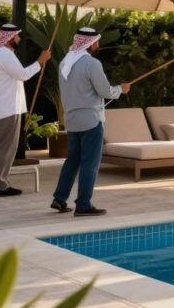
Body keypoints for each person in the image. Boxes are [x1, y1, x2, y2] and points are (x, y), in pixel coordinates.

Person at [51, 27, 130, 216]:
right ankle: (83, 204)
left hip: (71, 120)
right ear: (91, 43)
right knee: (90, 163)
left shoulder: (64, 62)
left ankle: (59, 198)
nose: (98, 44)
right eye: (97, 41)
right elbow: (105, 91)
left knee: (73, 160)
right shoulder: (92, 64)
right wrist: (121, 89)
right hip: (90, 120)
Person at [0, 24, 51, 197]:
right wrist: (40, 61)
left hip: (3, 107)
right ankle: (0, 186)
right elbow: (23, 75)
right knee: (6, 148)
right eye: (18, 36)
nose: (19, 38)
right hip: (7, 108)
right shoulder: (4, 54)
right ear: (10, 37)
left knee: (1, 148)